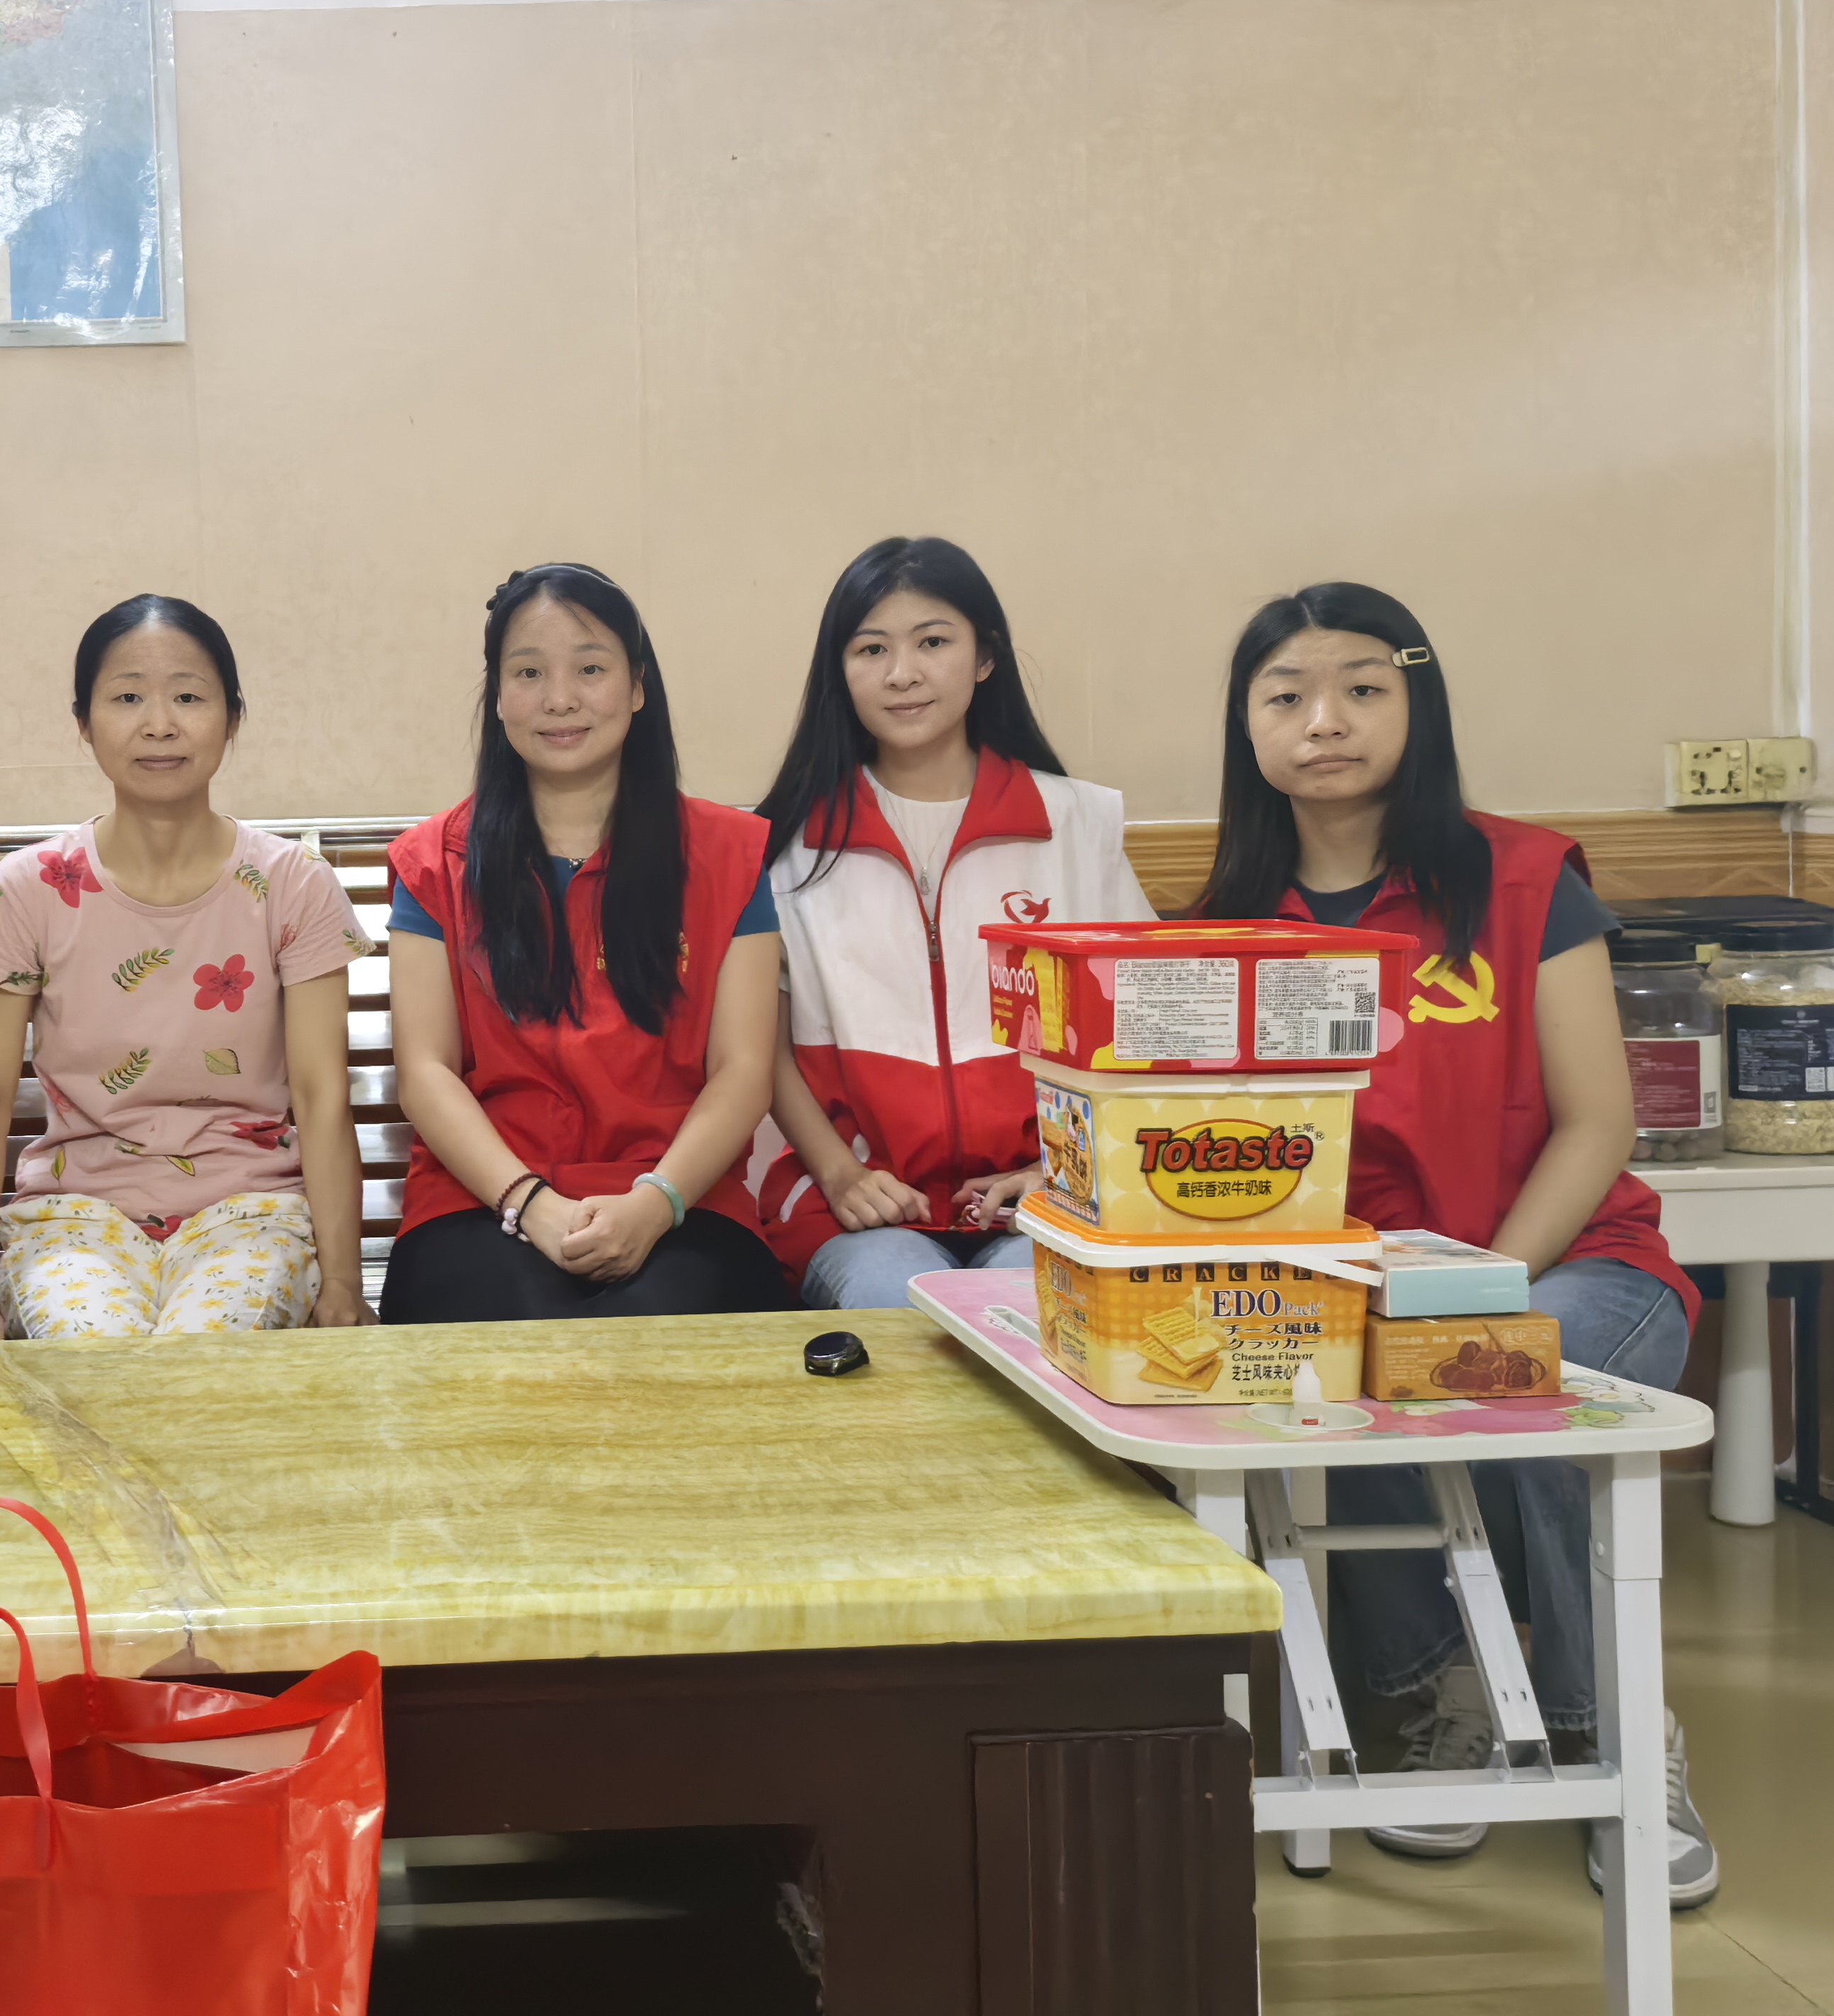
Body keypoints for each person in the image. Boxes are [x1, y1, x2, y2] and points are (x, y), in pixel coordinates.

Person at [1195, 581, 1713, 1904]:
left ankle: (1614, 1727)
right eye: (1287, 695)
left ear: (1417, 706)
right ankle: (1441, 1695)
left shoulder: (1525, 879)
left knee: (1516, 1372)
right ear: (1247, 727)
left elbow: (1598, 1124)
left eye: (1363, 688)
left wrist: (1478, 1293)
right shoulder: (1224, 925)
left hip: (1577, 1260)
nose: (1325, 721)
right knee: (1338, 1369)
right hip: (1359, 1288)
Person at [0, 596, 371, 1339]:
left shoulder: (293, 884)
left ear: (232, 719)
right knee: (93, 1352)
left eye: (190, 698)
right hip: (74, 1220)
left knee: (203, 1354)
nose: (160, 724)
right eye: (128, 697)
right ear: (84, 722)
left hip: (253, 1213)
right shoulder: (30, 889)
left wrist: (341, 1285)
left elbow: (321, 1094)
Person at [381, 565, 786, 1322]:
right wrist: (529, 1204)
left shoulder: (729, 856)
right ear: (498, 695)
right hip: (479, 1203)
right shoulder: (433, 864)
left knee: (664, 1333)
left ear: (637, 687)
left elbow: (742, 1072)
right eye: (529, 673)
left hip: (684, 1203)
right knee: (512, 1341)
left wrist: (655, 1202)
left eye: (590, 669)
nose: (559, 699)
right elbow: (426, 1071)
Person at [754, 537, 1151, 1307]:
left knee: (1027, 1307)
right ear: (840, 671)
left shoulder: (1077, 824)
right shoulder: (785, 847)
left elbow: (1141, 1032)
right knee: (894, 1303)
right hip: (856, 1208)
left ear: (984, 658)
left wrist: (1062, 1171)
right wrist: (840, 1174)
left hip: (1047, 1200)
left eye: (933, 642)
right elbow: (759, 1052)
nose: (902, 674)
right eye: (871, 649)